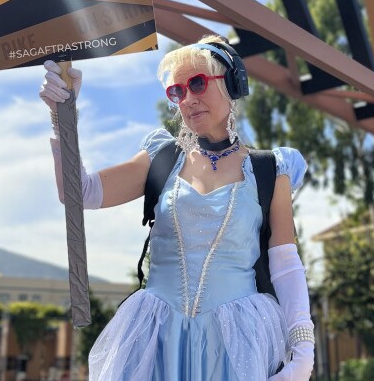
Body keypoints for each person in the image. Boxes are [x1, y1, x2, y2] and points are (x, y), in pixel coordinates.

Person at [39, 36, 315, 381]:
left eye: (197, 84)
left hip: (236, 342)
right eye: (177, 91)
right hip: (154, 339)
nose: (188, 99)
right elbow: (80, 192)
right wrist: (63, 117)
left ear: (232, 84)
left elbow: (285, 263)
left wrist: (303, 351)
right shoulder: (163, 157)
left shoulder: (271, 169)